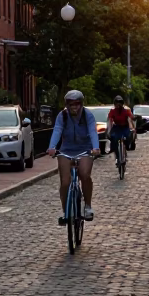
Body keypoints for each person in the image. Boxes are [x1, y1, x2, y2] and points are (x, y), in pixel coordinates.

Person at [46, 89, 101, 223]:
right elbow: (57, 130)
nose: (74, 107)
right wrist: (52, 147)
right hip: (66, 150)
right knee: (65, 181)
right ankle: (66, 211)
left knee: (85, 175)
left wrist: (95, 147)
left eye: (76, 104)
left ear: (81, 104)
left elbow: (93, 132)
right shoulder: (62, 116)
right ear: (67, 105)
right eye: (71, 104)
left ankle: (87, 206)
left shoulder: (87, 115)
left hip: (85, 149)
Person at [107, 96, 136, 169]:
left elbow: (130, 119)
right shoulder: (112, 111)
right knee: (114, 139)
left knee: (128, 137)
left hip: (125, 127)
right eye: (117, 103)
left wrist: (131, 128)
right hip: (117, 127)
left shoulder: (126, 111)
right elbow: (110, 121)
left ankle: (125, 149)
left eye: (120, 103)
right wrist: (109, 130)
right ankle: (117, 157)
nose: (118, 105)